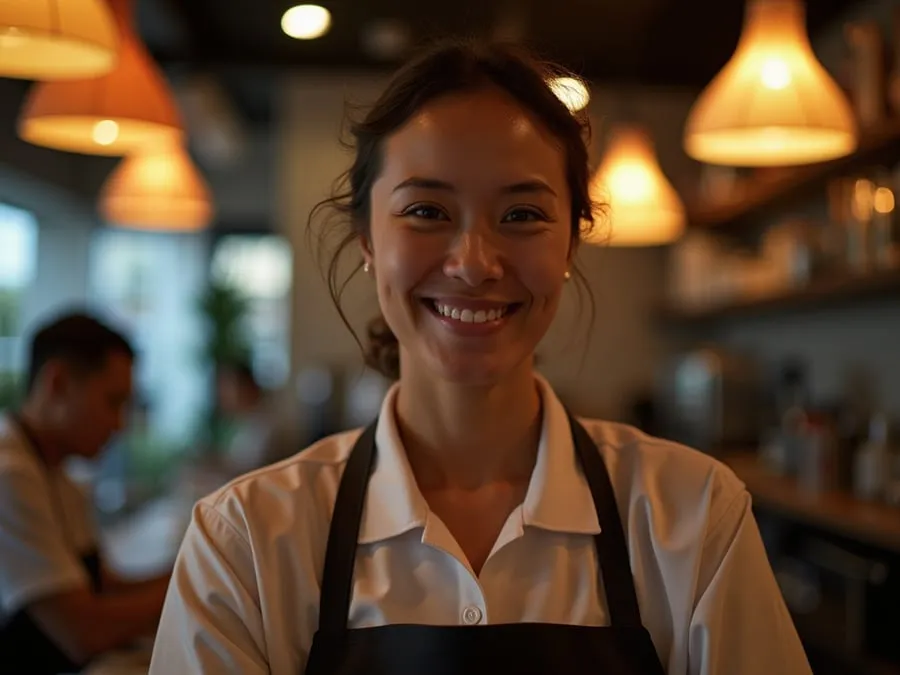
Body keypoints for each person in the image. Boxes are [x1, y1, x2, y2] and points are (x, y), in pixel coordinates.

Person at [150, 41, 812, 674]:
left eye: (523, 214)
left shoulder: (694, 517)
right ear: (367, 241)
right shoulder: (245, 540)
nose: (473, 264)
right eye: (427, 210)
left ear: (570, 245)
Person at [0, 311, 170, 674]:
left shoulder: (57, 473)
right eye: (113, 402)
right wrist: (190, 580)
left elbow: (105, 586)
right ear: (57, 383)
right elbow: (83, 632)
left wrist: (196, 562)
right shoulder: (9, 476)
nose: (119, 424)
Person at [215, 360, 300, 477]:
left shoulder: (269, 426)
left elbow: (250, 473)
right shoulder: (243, 425)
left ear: (247, 387)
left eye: (228, 388)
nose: (224, 396)